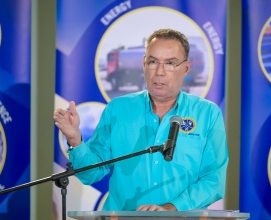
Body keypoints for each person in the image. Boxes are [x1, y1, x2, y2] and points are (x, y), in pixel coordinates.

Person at [53, 28, 229, 211]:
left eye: (170, 63)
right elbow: (90, 174)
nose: (160, 72)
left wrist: (172, 208)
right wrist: (74, 139)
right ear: (144, 64)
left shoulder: (207, 114)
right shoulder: (118, 109)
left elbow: (213, 181)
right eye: (153, 62)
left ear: (185, 68)